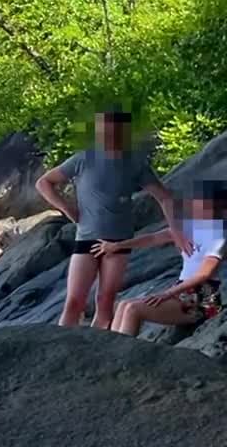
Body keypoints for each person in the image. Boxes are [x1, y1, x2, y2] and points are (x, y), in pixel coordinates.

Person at [36, 110, 189, 328]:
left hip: (119, 241)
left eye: (110, 129)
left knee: (105, 301)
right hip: (87, 237)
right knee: (74, 302)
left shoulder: (135, 162)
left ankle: (99, 351)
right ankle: (63, 346)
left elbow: (164, 197)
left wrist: (176, 231)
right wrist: (68, 209)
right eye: (101, 129)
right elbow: (44, 183)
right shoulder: (84, 158)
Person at [101, 182, 227, 335]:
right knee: (123, 304)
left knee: (133, 309)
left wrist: (167, 293)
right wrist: (118, 246)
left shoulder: (219, 237)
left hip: (203, 297)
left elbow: (204, 274)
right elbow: (154, 238)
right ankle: (112, 350)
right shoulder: (190, 228)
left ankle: (122, 356)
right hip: (182, 290)